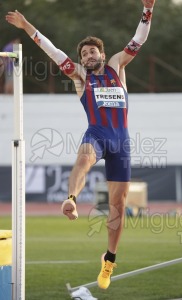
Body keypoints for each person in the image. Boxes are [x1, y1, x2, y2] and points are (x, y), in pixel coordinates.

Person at [6, 0, 156, 290]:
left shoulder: (116, 65)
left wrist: (148, 10)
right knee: (84, 159)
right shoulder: (80, 76)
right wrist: (27, 27)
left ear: (101, 53)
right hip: (97, 134)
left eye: (92, 51)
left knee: (118, 205)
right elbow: (53, 51)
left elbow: (138, 39)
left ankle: (109, 259)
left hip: (121, 141)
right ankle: (71, 199)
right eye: (84, 53)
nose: (88, 55)